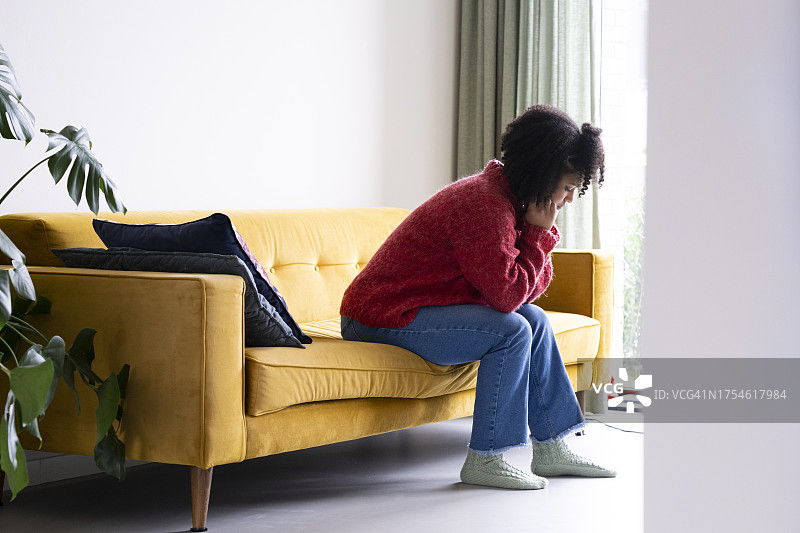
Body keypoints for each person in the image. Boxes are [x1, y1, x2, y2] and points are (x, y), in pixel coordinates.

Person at [339, 104, 615, 490]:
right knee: (513, 331)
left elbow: (528, 292)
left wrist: (536, 234)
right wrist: (537, 236)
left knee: (534, 320)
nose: (569, 199)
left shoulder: (510, 202)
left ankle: (552, 446)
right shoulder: (482, 205)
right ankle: (487, 458)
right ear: (542, 173)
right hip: (378, 315)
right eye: (567, 188)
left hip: (420, 310)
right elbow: (507, 297)